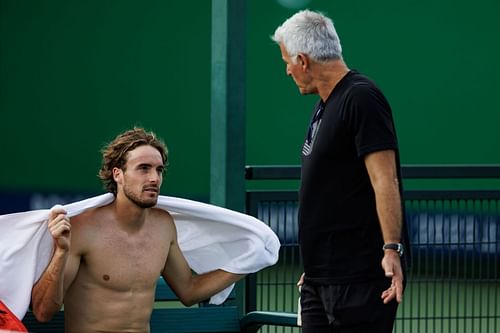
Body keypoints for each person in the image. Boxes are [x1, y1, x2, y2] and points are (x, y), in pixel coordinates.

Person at [272, 10, 409, 332]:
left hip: (359, 278)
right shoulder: (325, 103)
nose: (287, 71)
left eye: (286, 61)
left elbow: (385, 180)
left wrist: (391, 249)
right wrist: (317, 268)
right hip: (321, 277)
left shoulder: (361, 97)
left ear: (303, 61)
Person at [31, 127, 245, 332]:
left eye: (159, 170)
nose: (154, 178)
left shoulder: (163, 225)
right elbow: (42, 312)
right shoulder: (83, 229)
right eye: (143, 168)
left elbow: (189, 291)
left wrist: (247, 262)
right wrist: (61, 252)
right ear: (118, 174)